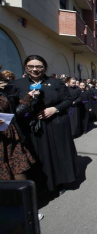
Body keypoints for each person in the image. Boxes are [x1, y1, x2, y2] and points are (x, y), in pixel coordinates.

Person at [8, 55, 77, 194]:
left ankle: (58, 182)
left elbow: (68, 100)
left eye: (38, 66)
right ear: (26, 67)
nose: (35, 70)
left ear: (44, 67)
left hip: (54, 124)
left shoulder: (56, 83)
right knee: (36, 156)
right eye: (31, 66)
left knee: (55, 154)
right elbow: (12, 107)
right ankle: (39, 186)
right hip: (29, 127)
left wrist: (54, 109)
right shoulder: (17, 84)